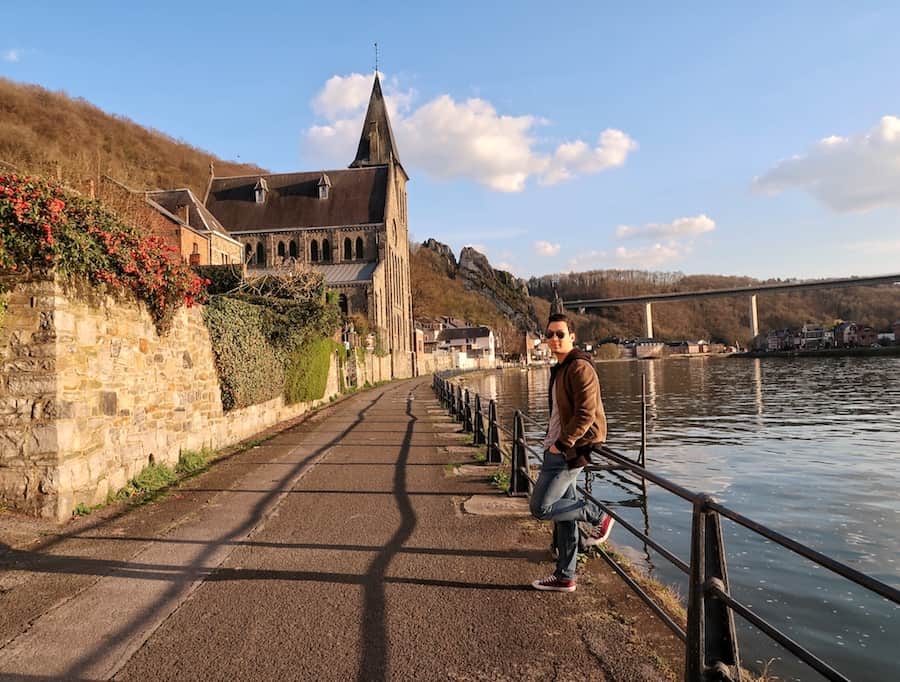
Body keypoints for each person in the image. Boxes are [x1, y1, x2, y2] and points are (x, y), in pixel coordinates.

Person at [530, 313, 614, 592]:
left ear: (572, 336)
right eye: (550, 334)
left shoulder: (579, 367)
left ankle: (597, 515)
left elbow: (586, 414)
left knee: (541, 508)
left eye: (560, 334)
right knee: (564, 516)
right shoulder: (561, 367)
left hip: (568, 451)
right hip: (557, 447)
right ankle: (565, 576)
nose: (554, 339)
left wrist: (561, 444)